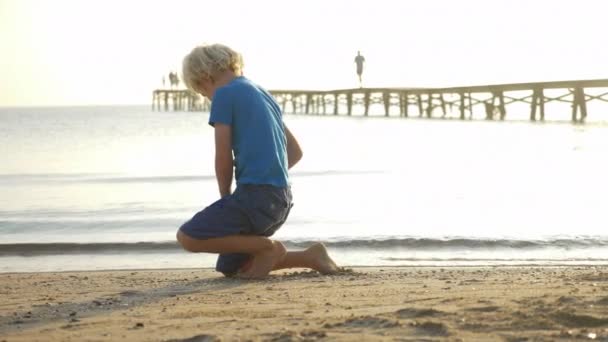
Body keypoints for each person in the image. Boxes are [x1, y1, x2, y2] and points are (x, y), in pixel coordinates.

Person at [177, 44, 340, 279]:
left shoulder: (224, 94)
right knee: (231, 267)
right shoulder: (262, 93)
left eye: (203, 93)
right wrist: (268, 171)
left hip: (256, 198)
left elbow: (222, 156)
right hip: (281, 200)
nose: (207, 97)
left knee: (188, 237)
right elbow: (295, 152)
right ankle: (310, 256)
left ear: (204, 77)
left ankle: (269, 247)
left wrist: (226, 196)